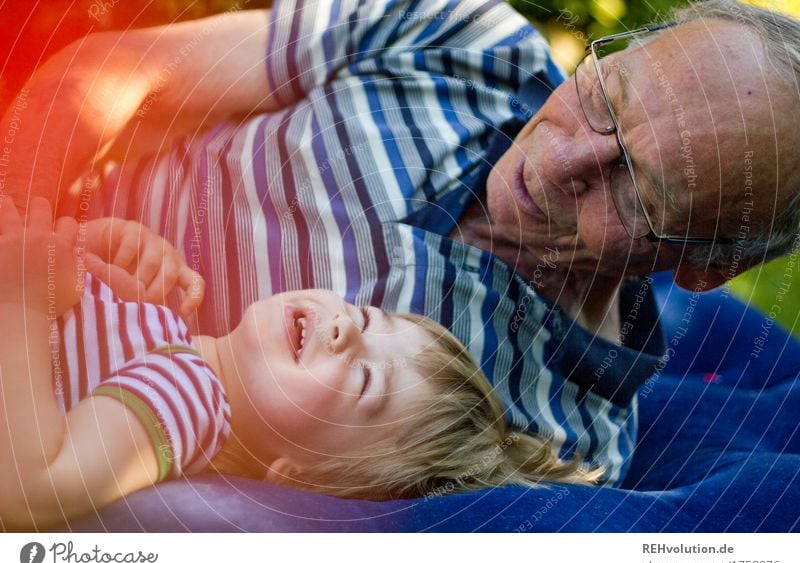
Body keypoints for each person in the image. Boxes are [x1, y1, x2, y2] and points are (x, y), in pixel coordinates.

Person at [1, 0, 797, 488]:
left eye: (639, 188)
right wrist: (27, 234)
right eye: (604, 97)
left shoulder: (556, 441)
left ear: (705, 264)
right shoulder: (466, 37)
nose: (559, 163)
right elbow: (115, 76)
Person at [0, 197, 600, 531]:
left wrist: (21, 297)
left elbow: (31, 485)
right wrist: (91, 246)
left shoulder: (186, 398)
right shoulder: (170, 337)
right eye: (367, 319)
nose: (344, 328)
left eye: (365, 379)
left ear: (303, 479)